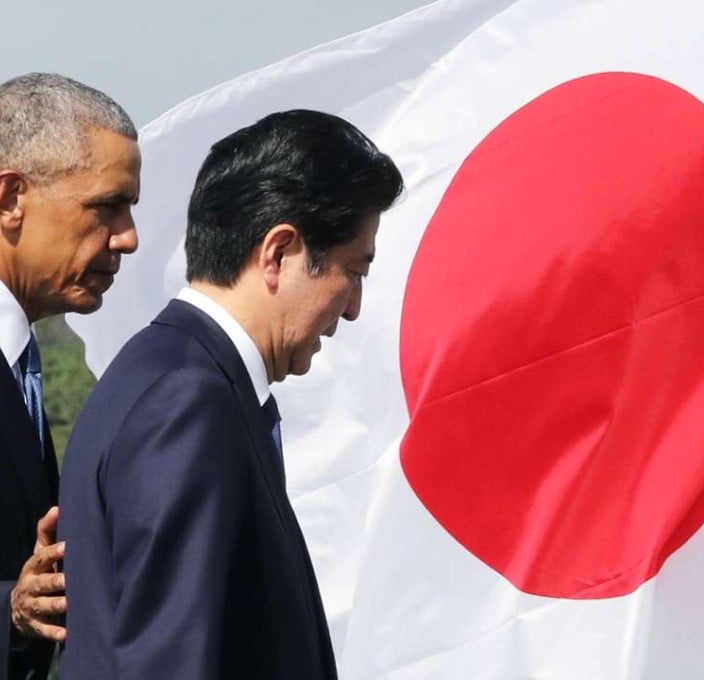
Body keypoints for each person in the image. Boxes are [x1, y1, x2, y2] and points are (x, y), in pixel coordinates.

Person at [59, 109, 403, 679]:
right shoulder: (188, 402)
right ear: (279, 253)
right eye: (353, 270)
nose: (353, 307)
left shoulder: (161, 375)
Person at [0, 72, 139, 680]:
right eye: (106, 208)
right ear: (10, 199)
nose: (127, 239)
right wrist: (9, 605)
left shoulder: (22, 361)